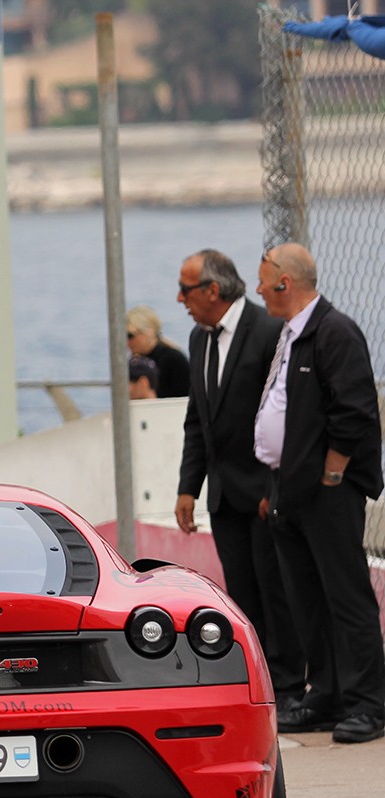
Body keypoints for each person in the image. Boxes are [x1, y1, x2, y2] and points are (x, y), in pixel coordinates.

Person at [254, 243, 385, 744]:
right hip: (290, 490)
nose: (260, 288)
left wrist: (331, 477)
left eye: (265, 280)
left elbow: (354, 413)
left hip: (326, 493)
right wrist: (278, 483)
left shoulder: (335, 331)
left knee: (346, 597)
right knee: (306, 599)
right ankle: (326, 695)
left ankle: (367, 705)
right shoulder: (291, 334)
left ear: (285, 283)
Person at [174, 248, 308, 717]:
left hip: (265, 492)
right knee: (242, 596)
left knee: (278, 592)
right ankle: (262, 687)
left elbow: (287, 414)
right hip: (225, 494)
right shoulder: (198, 339)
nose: (179, 299)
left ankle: (292, 686)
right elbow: (199, 417)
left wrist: (278, 485)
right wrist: (188, 485)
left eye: (186, 289)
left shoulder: (268, 331)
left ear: (213, 289)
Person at [125, 306, 190, 398]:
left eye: (130, 335)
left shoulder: (173, 359)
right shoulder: (135, 362)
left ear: (149, 331)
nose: (126, 342)